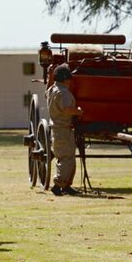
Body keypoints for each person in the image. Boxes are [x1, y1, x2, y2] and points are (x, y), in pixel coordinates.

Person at [46, 63, 83, 196]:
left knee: (68, 158)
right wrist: (78, 112)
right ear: (65, 79)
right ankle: (58, 185)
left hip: (57, 128)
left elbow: (47, 92)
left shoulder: (53, 90)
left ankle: (66, 185)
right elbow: (67, 109)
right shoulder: (64, 92)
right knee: (66, 158)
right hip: (63, 128)